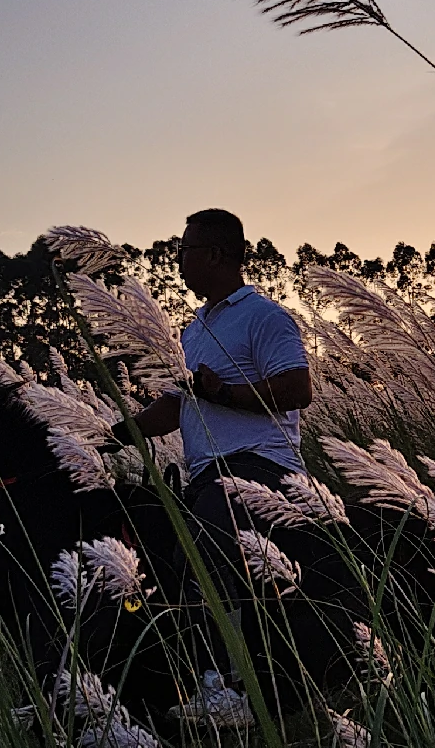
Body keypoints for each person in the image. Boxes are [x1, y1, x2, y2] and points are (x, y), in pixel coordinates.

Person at [132, 208, 314, 537]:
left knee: (204, 560)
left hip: (260, 470)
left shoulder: (264, 317)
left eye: (184, 252)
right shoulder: (194, 330)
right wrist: (117, 432)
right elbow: (178, 405)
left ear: (214, 255)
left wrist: (223, 392)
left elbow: (297, 390)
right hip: (208, 478)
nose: (178, 262)